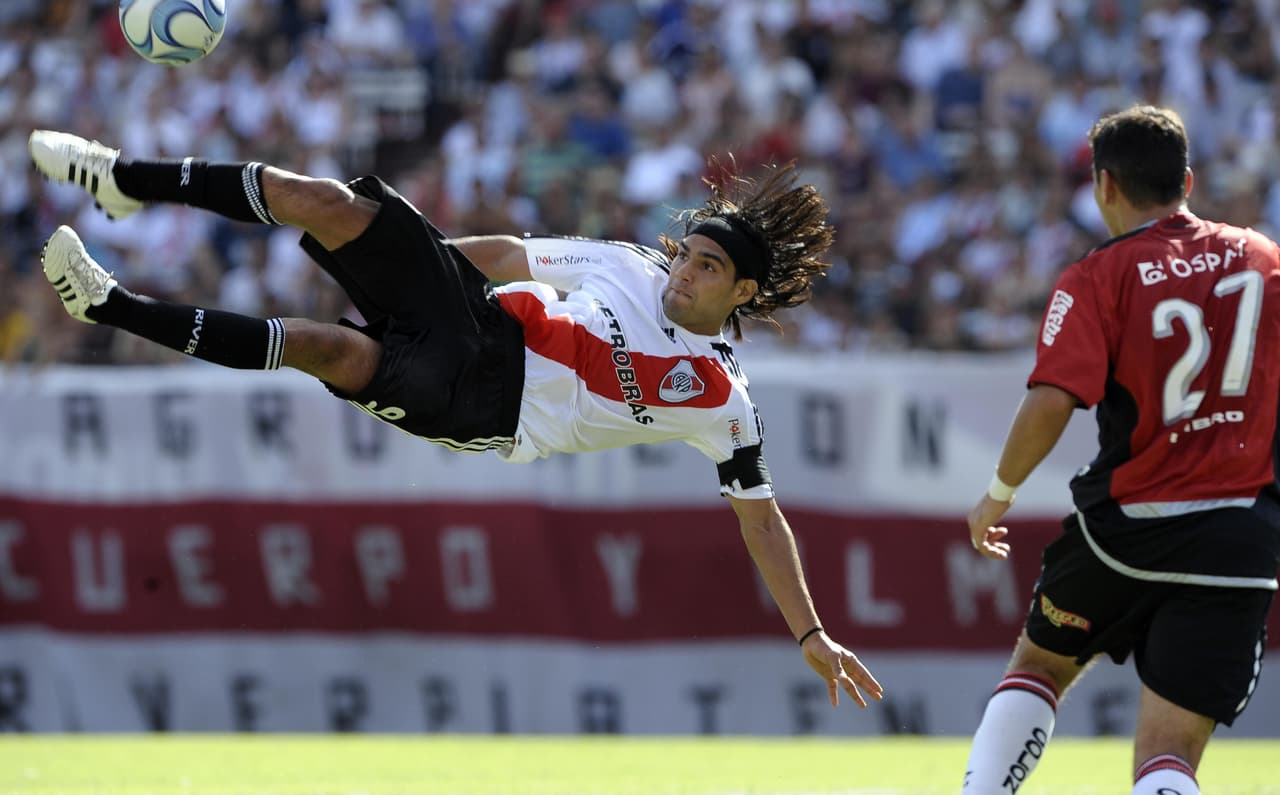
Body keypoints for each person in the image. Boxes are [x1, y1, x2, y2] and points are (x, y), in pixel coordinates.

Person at [28, 129, 883, 709]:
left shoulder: (724, 402)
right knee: (322, 200)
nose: (682, 273)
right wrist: (402, 267)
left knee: (333, 351)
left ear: (740, 293)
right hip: (482, 316)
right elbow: (512, 257)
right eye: (688, 253)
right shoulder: (625, 264)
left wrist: (809, 629)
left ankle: (109, 306)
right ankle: (121, 178)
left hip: (488, 407)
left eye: (705, 268)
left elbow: (760, 515)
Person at [962, 105, 1280, 795]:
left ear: (1104, 186)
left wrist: (998, 492)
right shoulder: (1264, 258)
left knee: (1039, 665)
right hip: (1238, 534)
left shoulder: (1098, 275)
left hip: (1124, 528)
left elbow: (1052, 397)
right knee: (1168, 756)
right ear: (1188, 179)